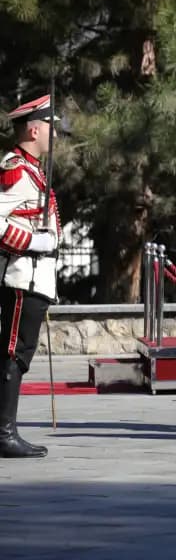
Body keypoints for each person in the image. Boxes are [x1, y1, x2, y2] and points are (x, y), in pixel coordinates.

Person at [0, 95, 61, 458]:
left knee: (18, 352)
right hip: (22, 275)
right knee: (14, 352)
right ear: (34, 129)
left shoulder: (32, 169)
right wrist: (34, 241)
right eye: (52, 129)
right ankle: (4, 433)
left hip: (36, 278)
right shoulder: (15, 169)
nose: (56, 137)